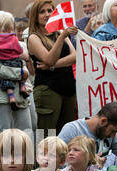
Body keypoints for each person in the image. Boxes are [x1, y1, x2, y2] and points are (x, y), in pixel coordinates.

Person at [27, 0, 78, 135]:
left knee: (66, 136)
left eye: (50, 11)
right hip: (48, 91)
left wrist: (52, 66)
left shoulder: (59, 32)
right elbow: (49, 59)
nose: (47, 14)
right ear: (35, 16)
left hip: (69, 89)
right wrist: (62, 37)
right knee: (47, 138)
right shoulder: (34, 37)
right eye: (42, 11)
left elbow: (75, 57)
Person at [0, 12, 33, 132]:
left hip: (20, 95)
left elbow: (26, 65)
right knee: (4, 134)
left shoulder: (18, 43)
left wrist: (23, 71)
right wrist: (20, 73)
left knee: (26, 132)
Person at [0, 11, 30, 109]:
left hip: (2, 62)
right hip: (15, 62)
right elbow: (20, 51)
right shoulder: (13, 38)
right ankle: (22, 87)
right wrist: (20, 71)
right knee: (23, 72)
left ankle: (11, 97)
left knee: (5, 82)